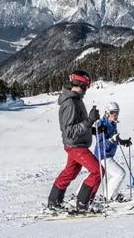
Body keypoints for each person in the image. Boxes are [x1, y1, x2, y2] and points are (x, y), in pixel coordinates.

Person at [47, 70, 102, 212]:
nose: (87, 90)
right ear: (82, 84)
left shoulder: (76, 100)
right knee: (97, 171)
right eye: (87, 86)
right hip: (75, 146)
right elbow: (69, 131)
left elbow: (78, 125)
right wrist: (89, 121)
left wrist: (93, 129)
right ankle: (84, 204)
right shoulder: (70, 103)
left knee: (69, 173)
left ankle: (54, 202)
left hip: (77, 144)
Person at [93, 102, 133, 202]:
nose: (115, 115)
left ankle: (111, 195)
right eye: (112, 112)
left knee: (98, 175)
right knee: (120, 173)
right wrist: (111, 140)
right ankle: (108, 196)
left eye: (117, 113)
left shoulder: (112, 124)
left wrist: (123, 142)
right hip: (102, 155)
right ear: (106, 113)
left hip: (107, 154)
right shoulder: (103, 124)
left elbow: (114, 138)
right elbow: (100, 142)